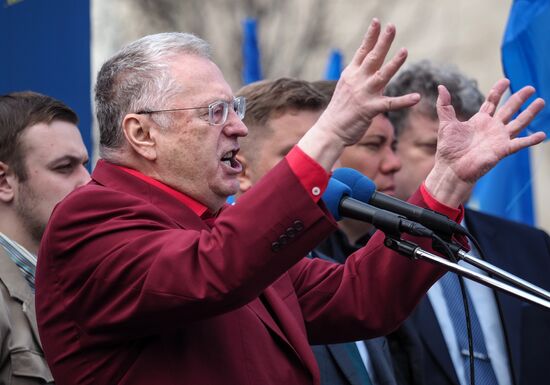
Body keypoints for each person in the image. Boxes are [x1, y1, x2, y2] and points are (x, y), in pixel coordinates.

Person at [35, 20, 546, 385]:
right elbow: (212, 271)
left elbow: (361, 298)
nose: (237, 125)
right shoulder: (90, 220)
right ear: (142, 133)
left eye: (234, 108)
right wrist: (329, 133)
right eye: (215, 111)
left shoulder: (222, 233)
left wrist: (447, 182)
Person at [237, 77, 417, 385]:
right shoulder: (233, 290)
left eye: (327, 153)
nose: (320, 171)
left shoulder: (331, 270)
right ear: (241, 170)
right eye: (298, 156)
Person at [386, 60, 550, 385]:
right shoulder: (361, 253)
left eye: (467, 146)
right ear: (392, 150)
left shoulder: (532, 247)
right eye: (431, 147)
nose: (453, 159)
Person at [0, 91, 90, 384]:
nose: (87, 182)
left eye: (84, 164)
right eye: (64, 167)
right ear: (4, 182)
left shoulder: (77, 278)